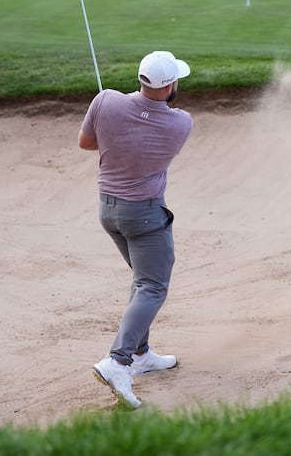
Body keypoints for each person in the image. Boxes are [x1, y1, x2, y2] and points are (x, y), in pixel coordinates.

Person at [78, 50, 194, 408]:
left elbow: (87, 143)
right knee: (153, 286)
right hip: (144, 216)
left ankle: (142, 355)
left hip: (109, 211)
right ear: (171, 85)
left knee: (143, 281)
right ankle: (119, 360)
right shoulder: (180, 123)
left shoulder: (105, 100)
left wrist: (108, 121)